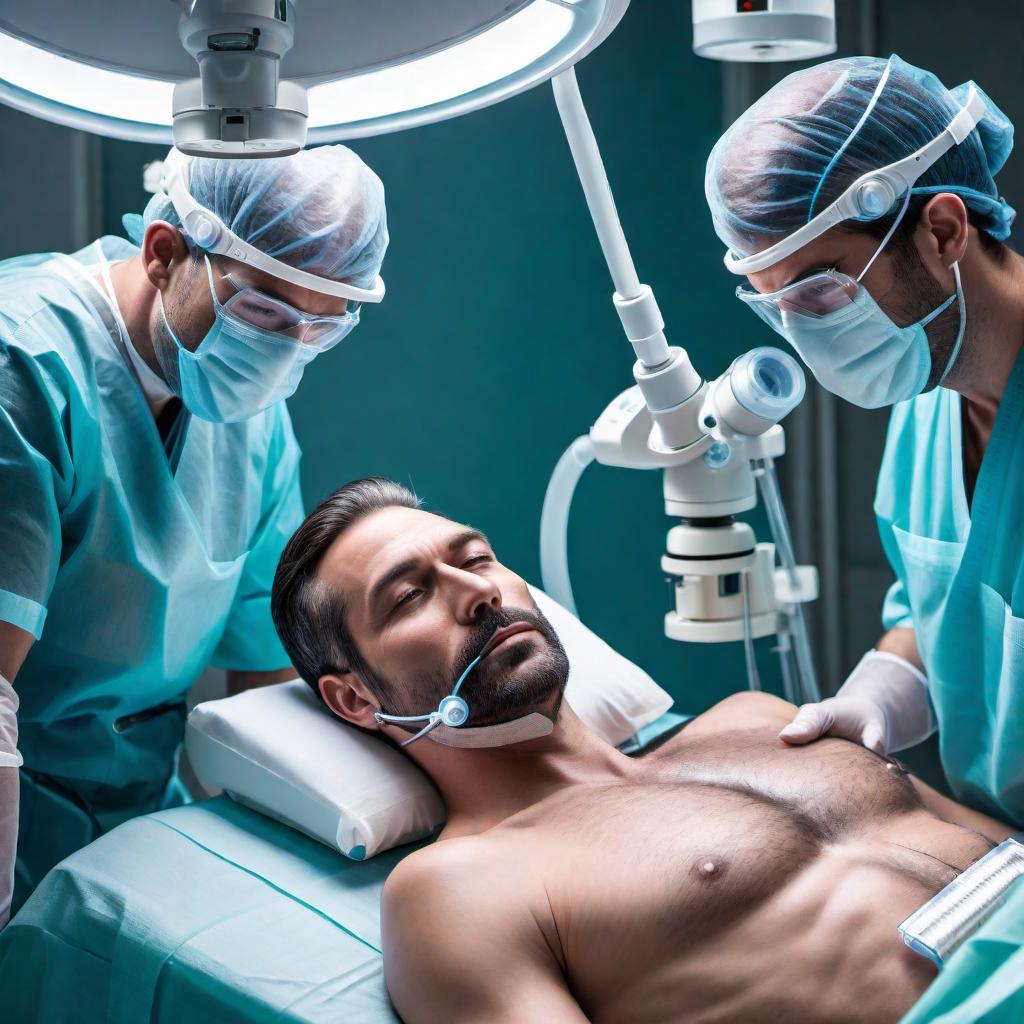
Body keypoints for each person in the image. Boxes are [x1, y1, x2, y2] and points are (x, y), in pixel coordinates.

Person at [270, 477, 1016, 1024]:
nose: (478, 593)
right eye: (409, 596)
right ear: (355, 699)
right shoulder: (460, 887)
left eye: (478, 558)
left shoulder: (756, 719)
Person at [0, 144, 389, 924]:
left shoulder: (248, 414)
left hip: (141, 813)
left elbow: (269, 682)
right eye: (262, 313)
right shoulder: (25, 363)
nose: (283, 353)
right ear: (163, 252)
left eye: (322, 327)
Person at [704, 54, 1024, 828]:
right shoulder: (927, 408)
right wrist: (877, 697)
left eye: (820, 290)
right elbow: (938, 613)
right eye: (779, 307)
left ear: (943, 230)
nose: (807, 332)